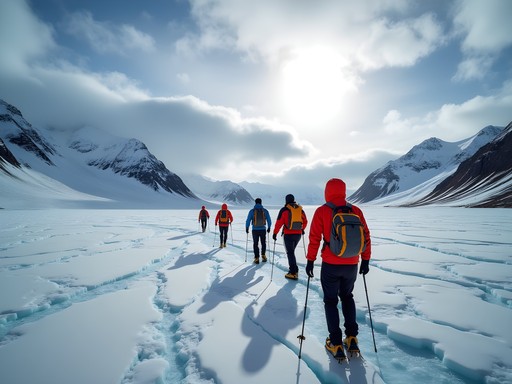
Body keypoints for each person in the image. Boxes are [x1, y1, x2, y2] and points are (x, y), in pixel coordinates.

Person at [305, 178, 371, 359]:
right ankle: (352, 338)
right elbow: (366, 235)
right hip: (351, 264)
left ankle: (335, 343)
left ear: (327, 191)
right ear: (344, 191)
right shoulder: (355, 210)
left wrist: (310, 260)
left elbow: (314, 238)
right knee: (347, 297)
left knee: (330, 301)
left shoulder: (322, 211)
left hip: (331, 265)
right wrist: (365, 260)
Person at [272, 194, 307, 280]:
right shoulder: (300, 209)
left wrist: (275, 233)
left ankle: (293, 272)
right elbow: (305, 221)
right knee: (292, 252)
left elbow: (279, 223)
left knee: (290, 253)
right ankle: (295, 268)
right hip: (298, 234)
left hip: (288, 234)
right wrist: (302, 229)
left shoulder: (284, 210)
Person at [245, 198, 272, 264]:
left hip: (255, 230)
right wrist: (269, 227)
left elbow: (248, 220)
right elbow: (269, 220)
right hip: (263, 229)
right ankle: (263, 255)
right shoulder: (265, 211)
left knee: (255, 243)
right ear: (261, 203)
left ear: (255, 203)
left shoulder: (252, 211)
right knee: (263, 242)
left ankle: (256, 258)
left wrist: (247, 227)